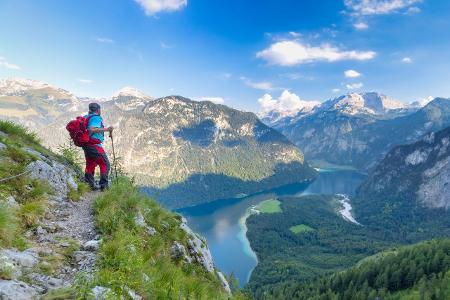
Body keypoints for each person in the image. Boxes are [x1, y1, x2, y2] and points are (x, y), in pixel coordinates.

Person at [82, 103, 113, 191]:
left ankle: (89, 184)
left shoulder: (86, 117)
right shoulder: (96, 117)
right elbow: (92, 129)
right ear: (98, 110)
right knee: (105, 164)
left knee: (90, 163)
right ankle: (103, 186)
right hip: (94, 145)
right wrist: (107, 129)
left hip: (86, 144)